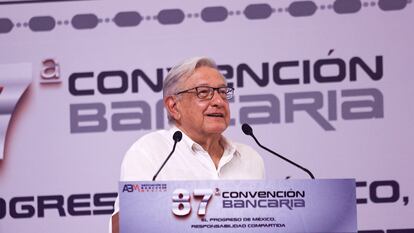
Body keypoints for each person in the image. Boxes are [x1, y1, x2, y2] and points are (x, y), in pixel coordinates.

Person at [110, 57, 265, 233]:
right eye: (204, 92)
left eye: (223, 92)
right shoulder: (150, 152)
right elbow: (123, 227)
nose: (219, 101)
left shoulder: (250, 158)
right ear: (174, 106)